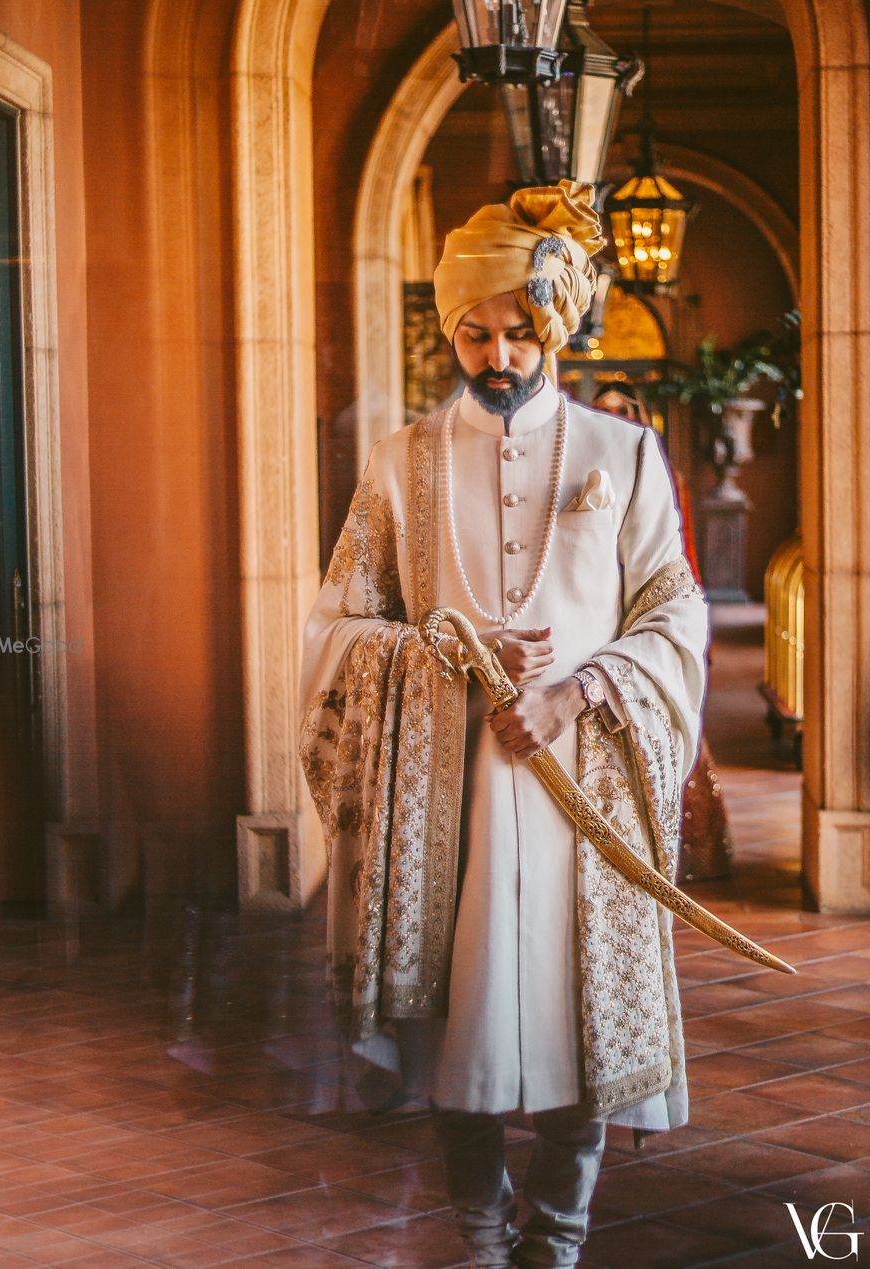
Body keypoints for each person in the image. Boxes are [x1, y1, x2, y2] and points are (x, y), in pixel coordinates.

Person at [299, 181, 708, 1267]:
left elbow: (672, 610)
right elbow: (340, 627)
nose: (497, 353)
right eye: (474, 330)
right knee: (458, 1024)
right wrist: (442, 667)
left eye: (520, 331)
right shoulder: (399, 462)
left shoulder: (624, 457)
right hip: (451, 793)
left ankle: (557, 1234)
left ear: (555, 326)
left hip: (587, 781)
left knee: (577, 1018)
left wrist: (576, 689)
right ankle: (480, 1233)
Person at [591, 380, 733, 883]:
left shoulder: (662, 473)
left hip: (651, 622)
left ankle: (685, 852)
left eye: (623, 411)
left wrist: (685, 632)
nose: (617, 419)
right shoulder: (583, 468)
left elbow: (679, 564)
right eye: (605, 411)